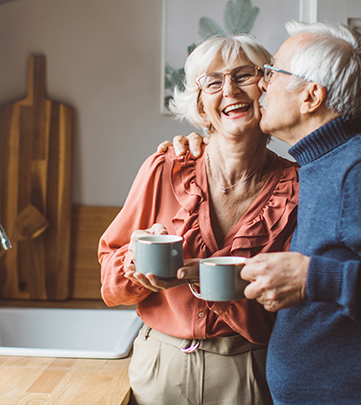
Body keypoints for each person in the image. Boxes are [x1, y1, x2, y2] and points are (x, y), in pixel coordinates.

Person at [164, 21, 361, 404]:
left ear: (311, 97)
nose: (262, 83)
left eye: (272, 72)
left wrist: (310, 278)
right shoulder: (323, 164)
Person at [98, 33, 299, 405]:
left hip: (251, 372)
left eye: (243, 76)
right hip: (160, 367)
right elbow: (109, 280)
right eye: (213, 82)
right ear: (201, 106)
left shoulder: (299, 187)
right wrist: (133, 265)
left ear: (267, 89)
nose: (230, 91)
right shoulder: (164, 167)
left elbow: (298, 305)